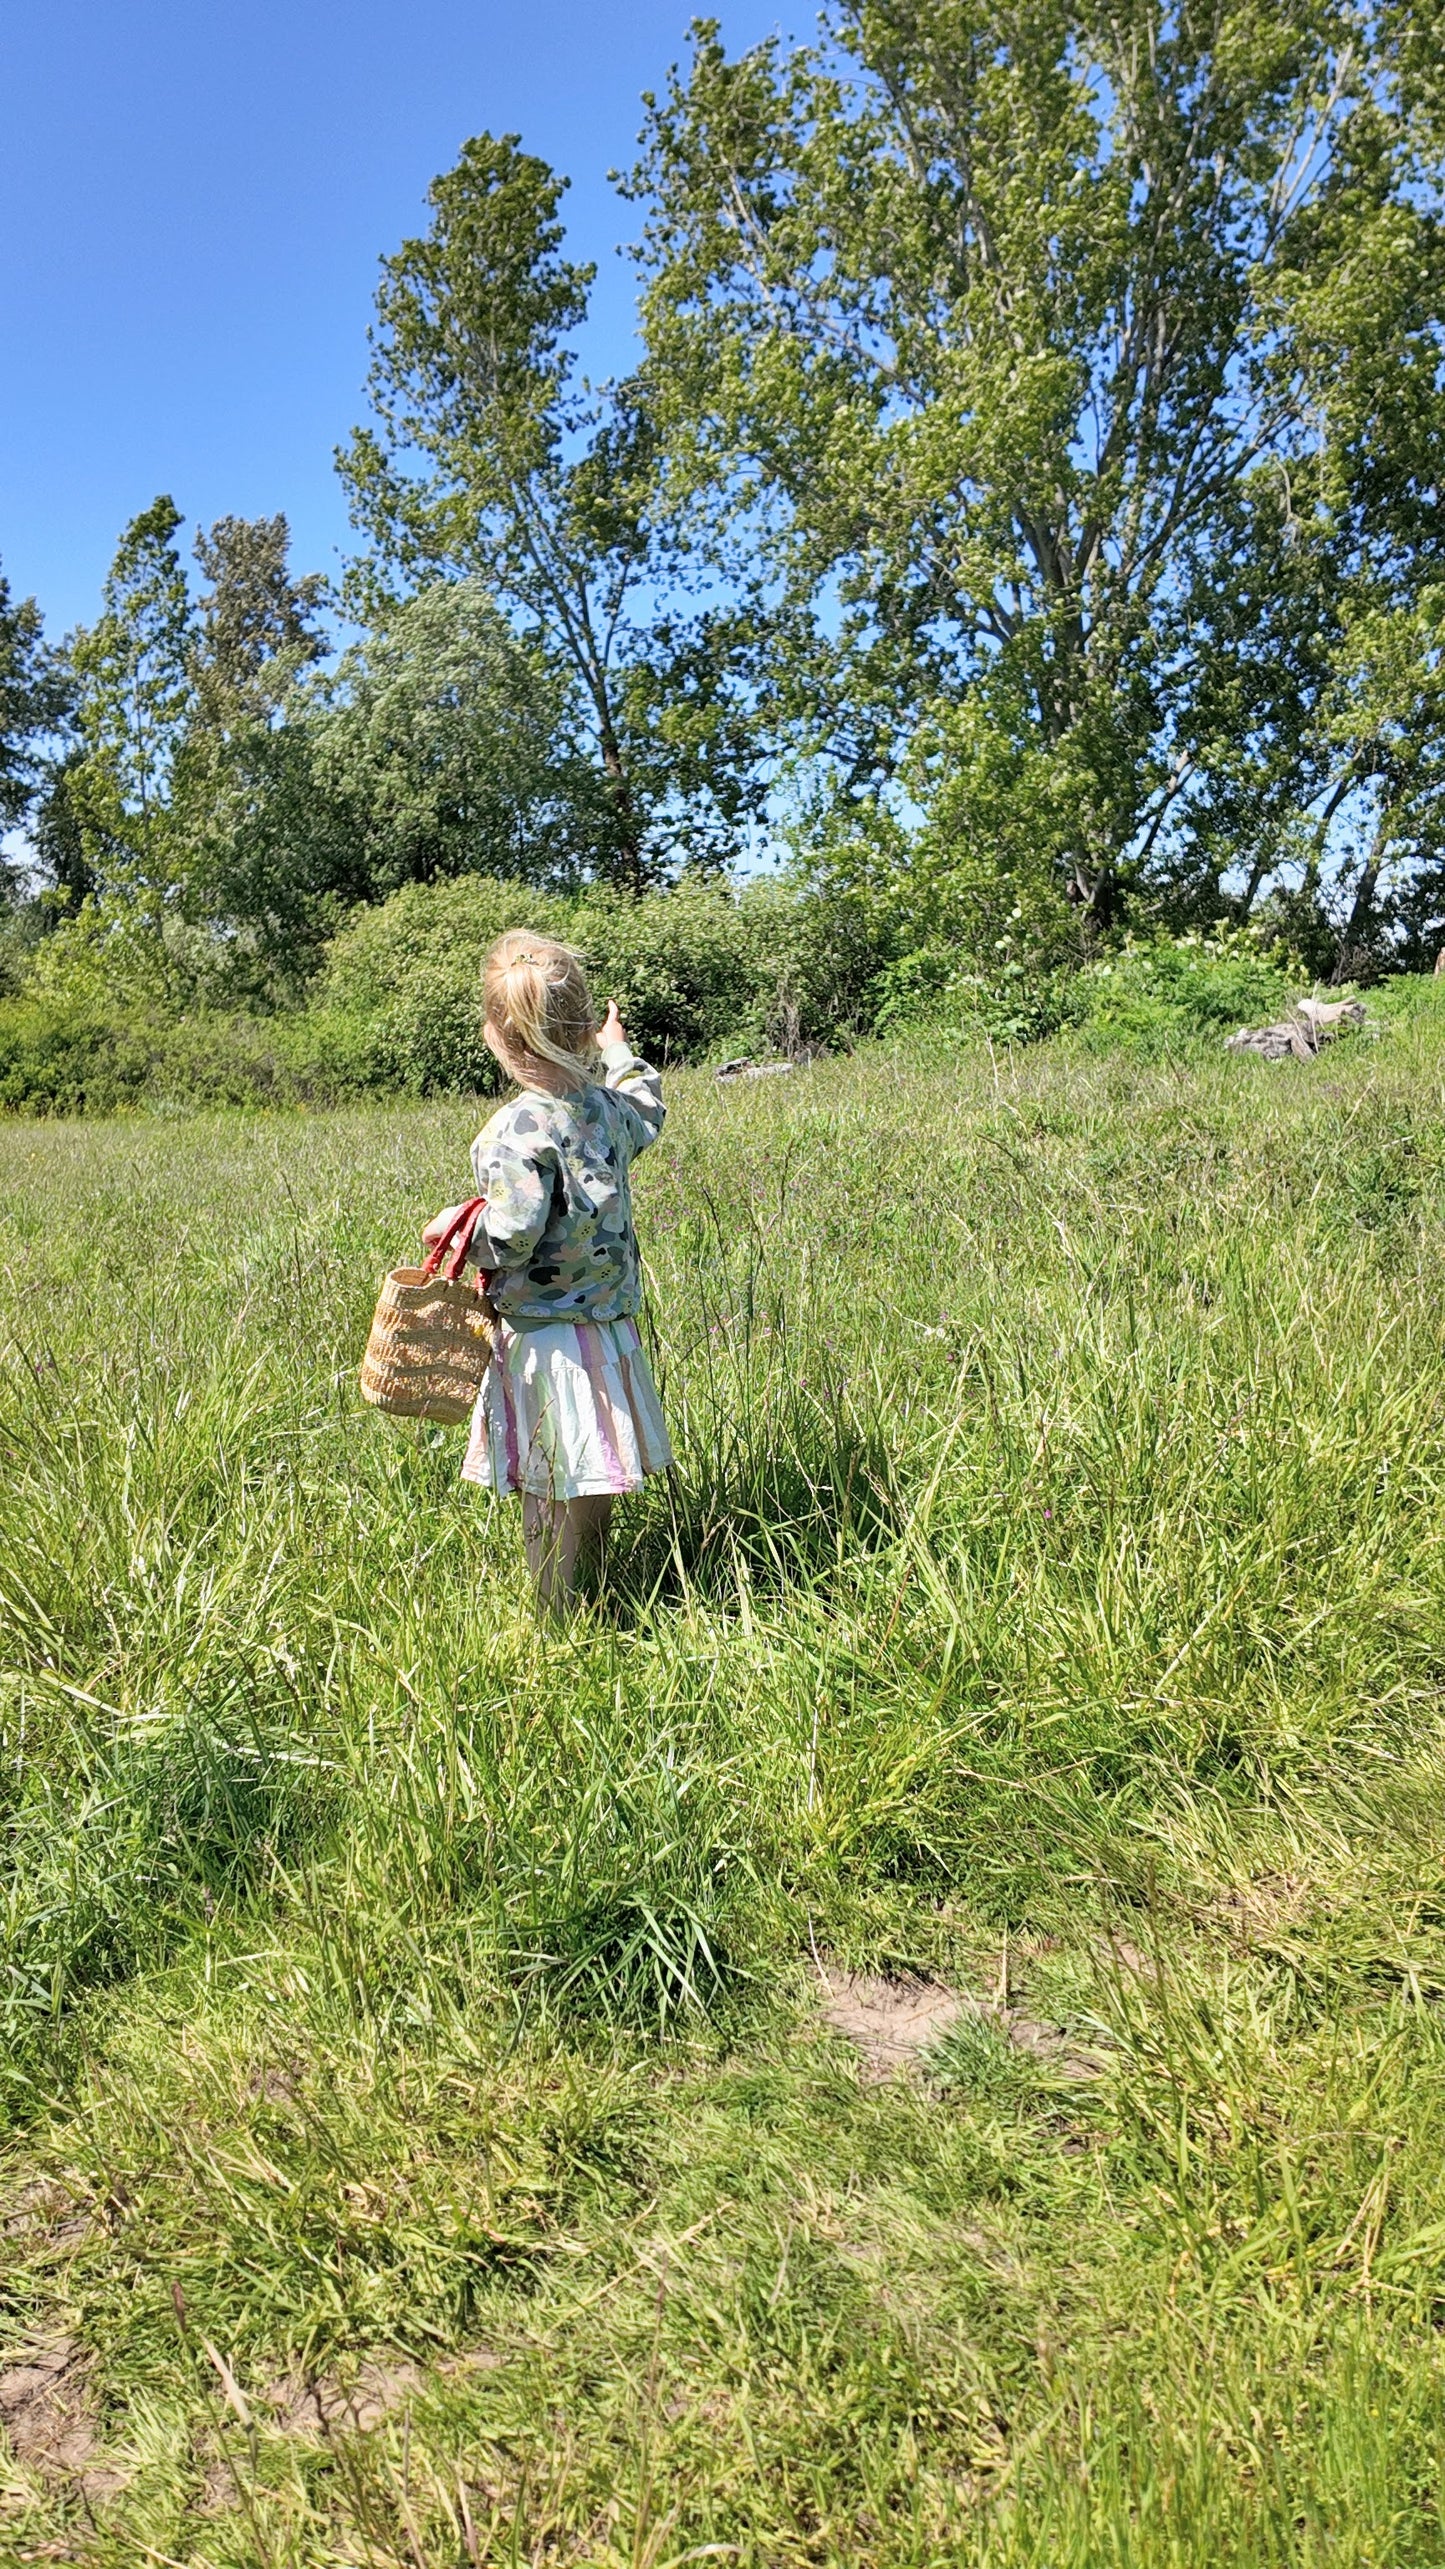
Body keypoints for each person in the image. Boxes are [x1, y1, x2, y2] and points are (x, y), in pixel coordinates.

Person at [424, 931, 673, 1615]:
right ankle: (592, 1583)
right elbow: (648, 1102)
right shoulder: (607, 1108)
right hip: (608, 1329)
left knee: (546, 1481)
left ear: (495, 1036)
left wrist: (455, 1225)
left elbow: (512, 1234)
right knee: (596, 1471)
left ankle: (554, 1613)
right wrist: (617, 1048)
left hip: (542, 1339)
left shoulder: (512, 1129)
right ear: (582, 1027)